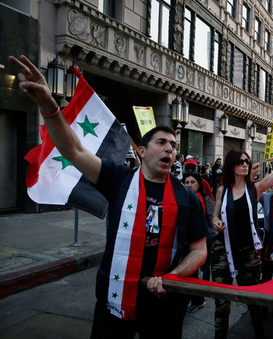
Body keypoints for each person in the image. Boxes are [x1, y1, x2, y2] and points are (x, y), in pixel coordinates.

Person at [10, 55, 209, 339]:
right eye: (161, 142)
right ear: (141, 151)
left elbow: (199, 250)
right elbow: (74, 151)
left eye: (174, 146)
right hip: (113, 302)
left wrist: (173, 276)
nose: (170, 149)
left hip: (164, 304)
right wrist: (48, 105)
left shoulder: (187, 197)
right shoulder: (118, 179)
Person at [211, 129, 273, 339]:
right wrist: (215, 222)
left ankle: (258, 330)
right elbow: (214, 215)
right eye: (240, 162)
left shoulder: (255, 189)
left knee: (251, 298)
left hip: (249, 252)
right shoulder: (223, 190)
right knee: (222, 301)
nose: (245, 165)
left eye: (247, 161)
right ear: (232, 165)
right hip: (222, 249)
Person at [182, 171, 217, 313]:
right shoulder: (179, 197)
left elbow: (211, 220)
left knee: (193, 272)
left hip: (199, 241)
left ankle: (198, 300)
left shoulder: (205, 199)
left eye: (193, 182)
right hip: (182, 241)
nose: (190, 185)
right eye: (187, 182)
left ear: (199, 184)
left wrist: (209, 237)